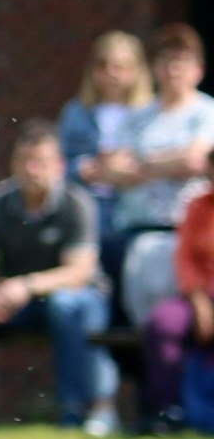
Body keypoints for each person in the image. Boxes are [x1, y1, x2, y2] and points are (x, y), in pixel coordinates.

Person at [0, 120, 115, 434]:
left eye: (41, 162)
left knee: (64, 304)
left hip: (76, 300)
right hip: (13, 302)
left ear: (59, 166)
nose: (32, 170)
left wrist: (27, 285)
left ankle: (73, 411)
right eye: (24, 161)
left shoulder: (77, 203)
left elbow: (79, 272)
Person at [82, 24, 214, 327]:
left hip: (185, 232)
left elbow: (196, 160)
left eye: (181, 62)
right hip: (134, 230)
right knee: (124, 320)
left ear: (198, 69)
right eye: (166, 61)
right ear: (154, 68)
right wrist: (171, 162)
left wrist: (140, 163)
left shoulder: (206, 111)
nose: (173, 70)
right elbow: (110, 169)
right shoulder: (138, 116)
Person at [61, 30, 154, 246]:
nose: (111, 73)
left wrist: (126, 168)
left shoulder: (150, 113)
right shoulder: (77, 112)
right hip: (87, 209)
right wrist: (83, 167)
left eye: (120, 66)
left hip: (135, 213)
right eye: (103, 65)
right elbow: (59, 161)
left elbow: (158, 158)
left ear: (137, 70)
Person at [142, 185, 214, 434]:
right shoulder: (198, 206)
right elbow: (185, 259)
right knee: (164, 322)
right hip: (200, 295)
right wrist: (199, 301)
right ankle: (168, 410)